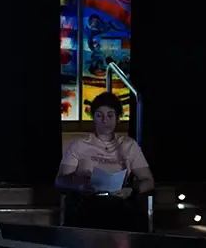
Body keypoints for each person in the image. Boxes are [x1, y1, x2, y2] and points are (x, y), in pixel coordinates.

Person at [56, 91, 155, 231]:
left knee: (125, 212)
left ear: (117, 118)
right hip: (87, 202)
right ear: (93, 118)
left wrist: (131, 190)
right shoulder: (79, 144)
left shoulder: (129, 145)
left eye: (110, 115)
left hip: (120, 202)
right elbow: (60, 180)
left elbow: (148, 181)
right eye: (99, 115)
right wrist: (81, 186)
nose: (104, 121)